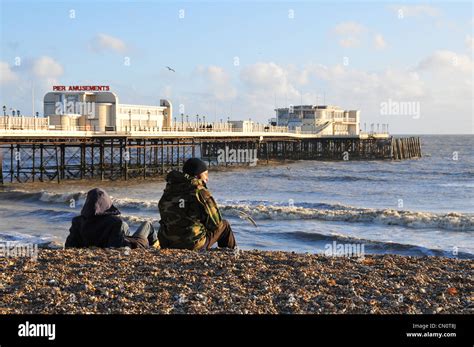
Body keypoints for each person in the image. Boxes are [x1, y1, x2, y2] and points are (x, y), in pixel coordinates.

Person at [158, 158, 236, 251]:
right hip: (192, 244)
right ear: (198, 175)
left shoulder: (169, 189)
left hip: (167, 243)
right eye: (206, 174)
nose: (207, 178)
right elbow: (216, 224)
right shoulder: (199, 191)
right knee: (224, 225)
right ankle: (230, 254)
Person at [65, 188, 159, 249]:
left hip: (113, 241)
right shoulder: (115, 222)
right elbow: (116, 247)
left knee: (125, 225)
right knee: (147, 224)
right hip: (134, 246)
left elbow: (69, 246)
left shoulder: (77, 221)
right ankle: (154, 248)